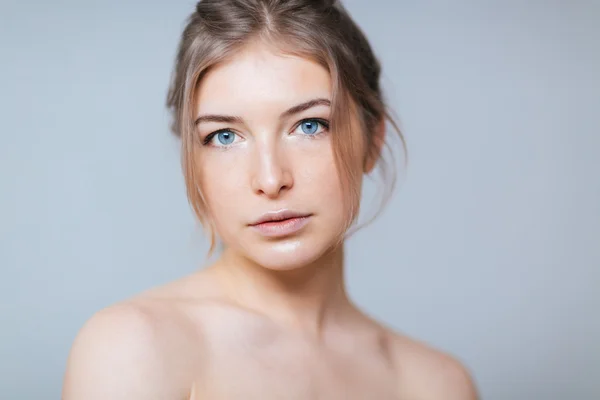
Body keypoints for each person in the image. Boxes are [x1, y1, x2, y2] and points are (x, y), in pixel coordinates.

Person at [63, 0, 478, 398]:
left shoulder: (437, 384)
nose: (270, 178)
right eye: (224, 136)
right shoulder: (134, 349)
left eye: (310, 125)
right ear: (192, 155)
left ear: (373, 139)